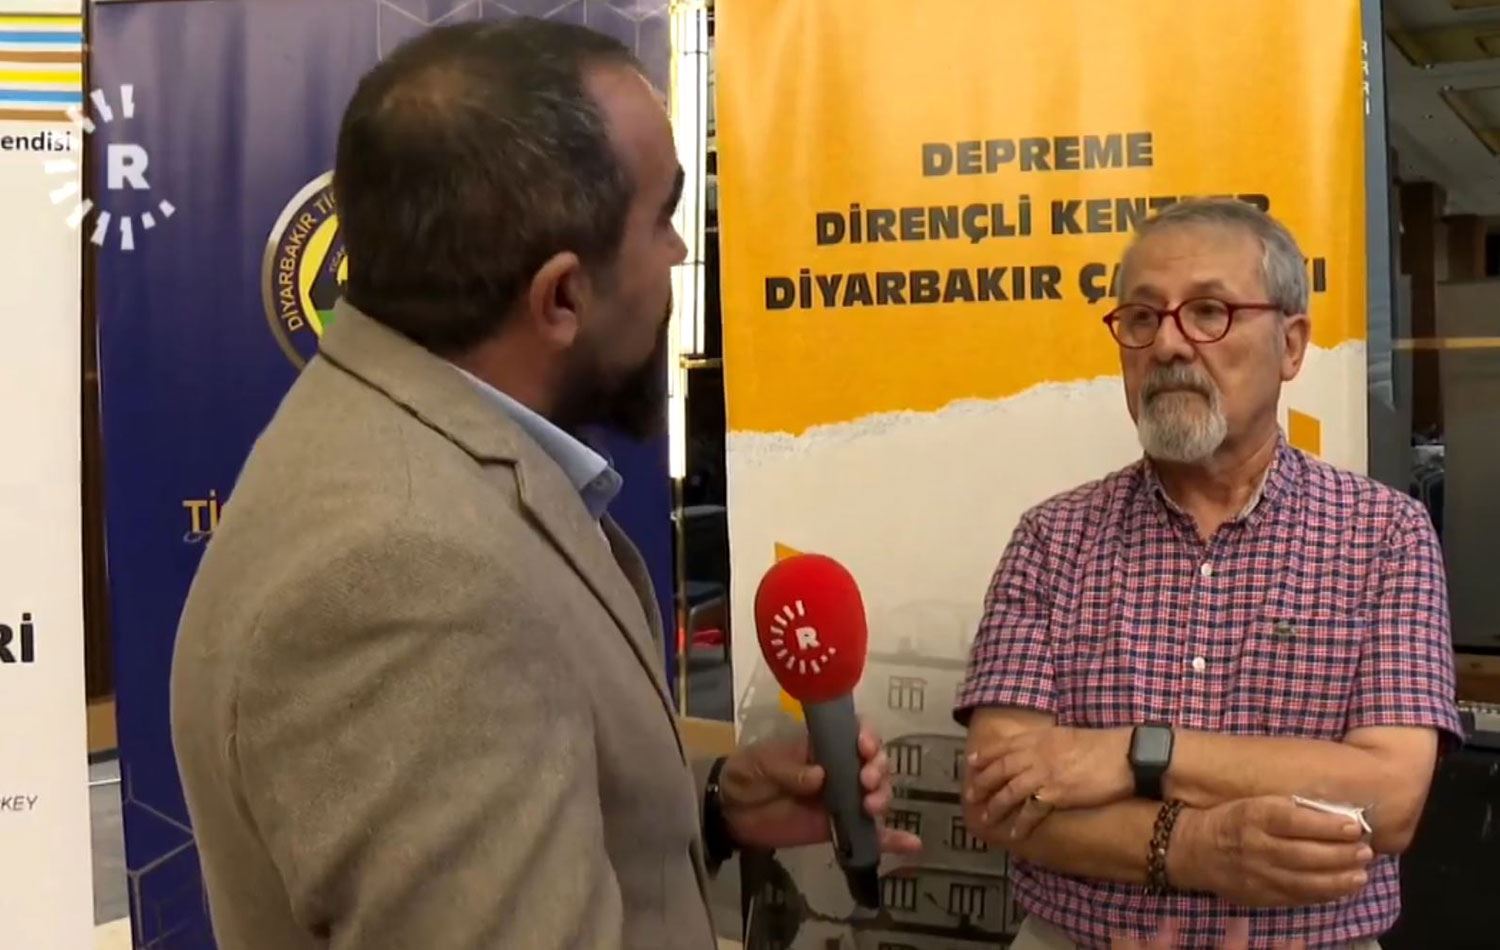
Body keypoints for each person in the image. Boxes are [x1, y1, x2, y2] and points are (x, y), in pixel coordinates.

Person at [171, 20, 918, 950]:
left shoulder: (407, 449)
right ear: (561, 296)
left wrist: (708, 806)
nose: (680, 255)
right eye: (663, 218)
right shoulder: (407, 577)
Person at [954, 198, 1463, 949]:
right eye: (1141, 317)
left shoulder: (1384, 534)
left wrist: (1132, 753)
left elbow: (1388, 800)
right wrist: (1195, 848)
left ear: (1291, 345)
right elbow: (999, 799)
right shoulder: (1052, 539)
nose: (1168, 344)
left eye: (1209, 312)